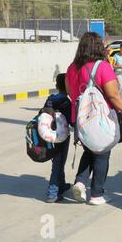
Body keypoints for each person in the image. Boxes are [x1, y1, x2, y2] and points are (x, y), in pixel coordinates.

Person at [66, 32, 122, 206]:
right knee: (102, 154)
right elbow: (113, 95)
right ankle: (97, 194)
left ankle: (81, 183)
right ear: (98, 46)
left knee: (90, 151)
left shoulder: (72, 67)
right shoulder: (103, 67)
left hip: (79, 119)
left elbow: (70, 93)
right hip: (100, 119)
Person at [44, 74, 72, 203]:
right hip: (61, 138)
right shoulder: (66, 102)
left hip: (48, 136)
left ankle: (61, 184)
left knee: (58, 161)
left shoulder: (50, 99)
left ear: (56, 86)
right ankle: (52, 193)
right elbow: (71, 121)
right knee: (58, 163)